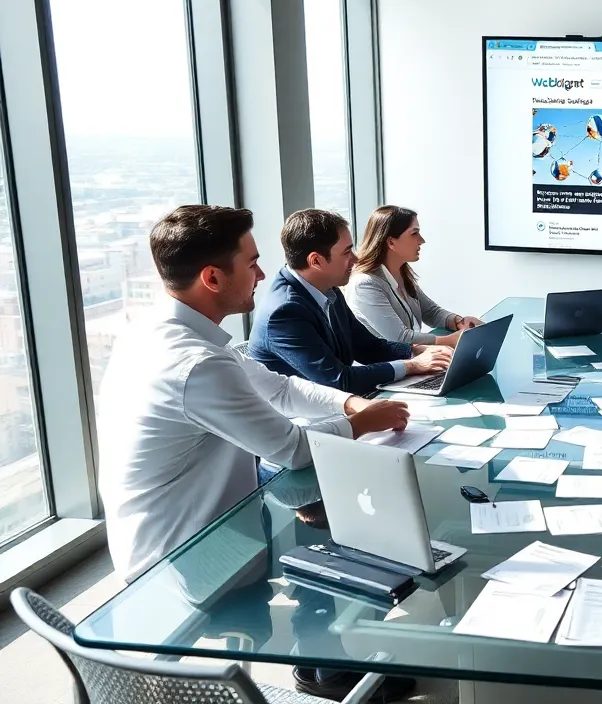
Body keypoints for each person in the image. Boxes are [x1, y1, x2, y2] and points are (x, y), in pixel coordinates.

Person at [96, 205, 411, 583]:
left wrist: (348, 402)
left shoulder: (164, 332)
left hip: (199, 539)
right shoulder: (195, 364)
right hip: (190, 560)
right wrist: (360, 423)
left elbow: (278, 387)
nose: (263, 275)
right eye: (252, 264)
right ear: (212, 277)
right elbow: (292, 450)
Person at [249, 209, 453, 395]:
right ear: (316, 261)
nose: (355, 259)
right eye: (347, 252)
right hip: (305, 424)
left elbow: (366, 346)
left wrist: (416, 351)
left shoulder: (328, 289)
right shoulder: (285, 312)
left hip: (335, 407)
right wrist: (413, 365)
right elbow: (338, 380)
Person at [348, 205, 483, 345]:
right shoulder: (365, 284)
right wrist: (451, 340)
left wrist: (459, 322)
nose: (422, 240)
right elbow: (400, 338)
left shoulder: (401, 273)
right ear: (391, 242)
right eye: (414, 233)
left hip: (412, 359)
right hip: (386, 364)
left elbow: (431, 312)